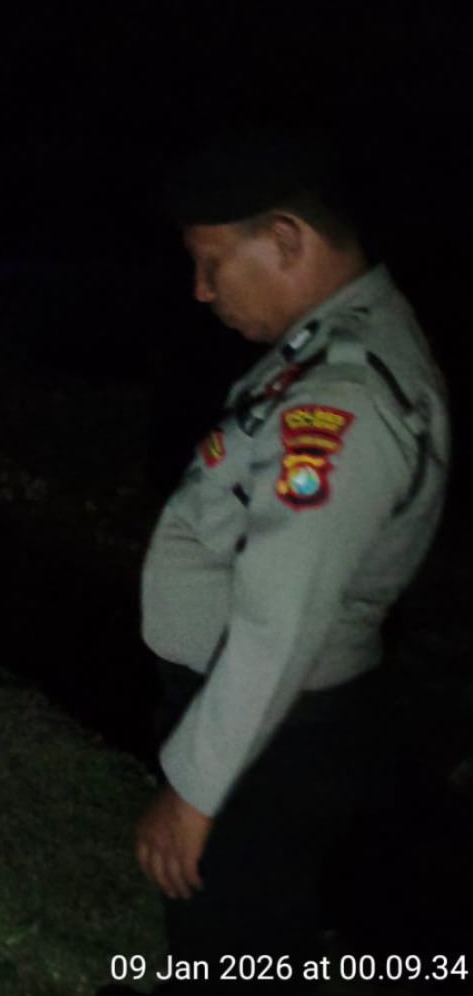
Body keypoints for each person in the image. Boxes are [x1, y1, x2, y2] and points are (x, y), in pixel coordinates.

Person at [130, 129, 450, 990]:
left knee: (236, 934)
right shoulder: (331, 345)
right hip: (265, 715)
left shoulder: (343, 394)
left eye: (210, 263)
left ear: (283, 238)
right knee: (236, 932)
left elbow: (278, 621)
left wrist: (194, 791)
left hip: (266, 731)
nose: (200, 291)